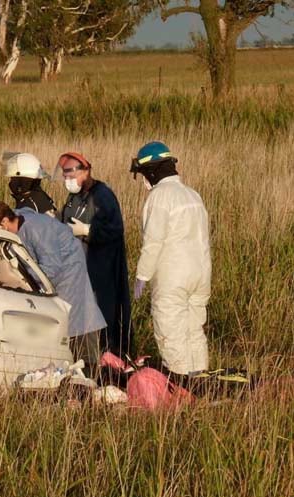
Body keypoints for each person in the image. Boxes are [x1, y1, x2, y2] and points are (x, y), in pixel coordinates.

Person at [0, 200, 107, 371]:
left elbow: (52, 267)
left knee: (74, 320)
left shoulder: (37, 229)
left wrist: (24, 280)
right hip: (56, 274)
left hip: (68, 275)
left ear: (3, 222)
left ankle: (87, 368)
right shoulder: (19, 220)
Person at [129, 141, 212, 379]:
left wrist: (142, 277)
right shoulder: (192, 194)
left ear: (152, 171)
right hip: (201, 274)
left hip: (173, 278)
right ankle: (201, 383)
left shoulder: (160, 196)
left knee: (171, 334)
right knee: (194, 332)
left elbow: (153, 243)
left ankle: (182, 386)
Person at [55, 152, 132, 357]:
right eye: (65, 176)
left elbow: (115, 230)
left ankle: (108, 360)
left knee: (102, 315)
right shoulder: (74, 198)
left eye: (72, 176)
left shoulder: (103, 195)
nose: (68, 181)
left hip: (100, 269)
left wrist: (88, 231)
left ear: (86, 172)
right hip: (77, 271)